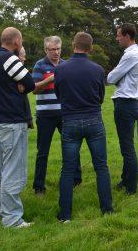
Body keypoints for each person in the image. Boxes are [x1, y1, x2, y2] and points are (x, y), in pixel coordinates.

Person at [0, 27, 53, 228]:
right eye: (21, 41)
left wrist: (19, 85)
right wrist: (21, 85)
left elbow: (21, 85)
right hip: (12, 122)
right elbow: (30, 84)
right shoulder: (10, 59)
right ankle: (12, 219)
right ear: (16, 42)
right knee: (13, 171)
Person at [55, 32, 113, 222]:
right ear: (90, 48)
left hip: (70, 121)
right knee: (101, 167)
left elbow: (58, 94)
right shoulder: (97, 70)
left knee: (68, 169)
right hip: (94, 120)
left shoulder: (61, 69)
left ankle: (65, 215)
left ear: (73, 45)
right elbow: (101, 96)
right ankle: (107, 209)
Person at [32, 36, 82, 195]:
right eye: (52, 49)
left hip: (65, 114)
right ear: (46, 50)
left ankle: (76, 179)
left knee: (71, 147)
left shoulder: (66, 65)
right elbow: (34, 89)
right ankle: (39, 186)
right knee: (43, 151)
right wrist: (52, 79)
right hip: (45, 115)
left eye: (58, 49)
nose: (55, 52)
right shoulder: (39, 65)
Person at [107, 23, 138, 195]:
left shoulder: (131, 55)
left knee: (127, 146)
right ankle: (126, 179)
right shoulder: (134, 54)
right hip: (130, 102)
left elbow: (111, 77)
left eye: (119, 35)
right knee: (126, 143)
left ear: (127, 36)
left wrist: (117, 78)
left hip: (125, 102)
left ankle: (131, 187)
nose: (117, 38)